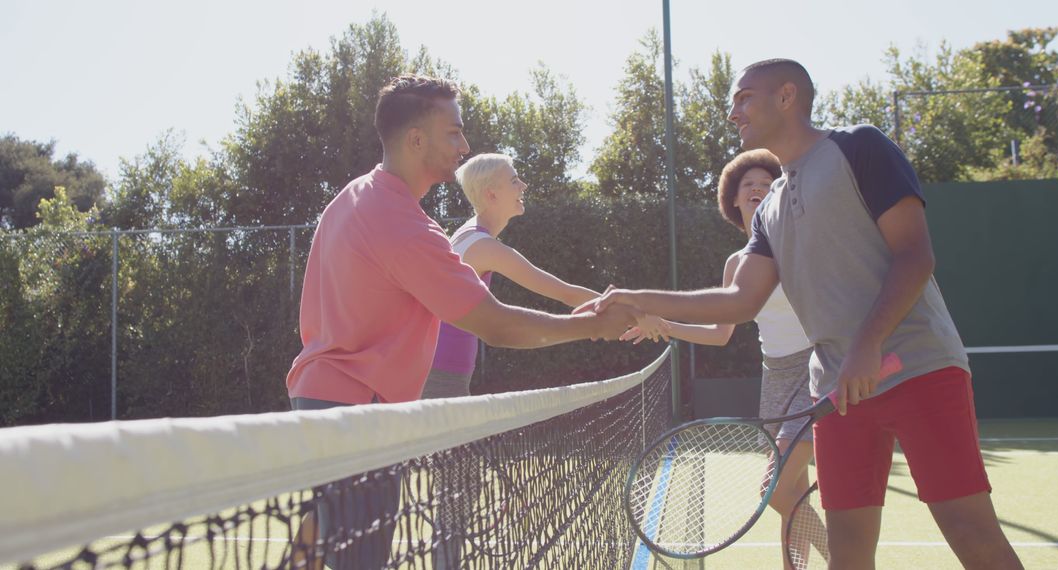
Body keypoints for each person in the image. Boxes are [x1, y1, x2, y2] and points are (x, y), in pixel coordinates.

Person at [581, 59, 1022, 570]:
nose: (733, 112)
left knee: (970, 530)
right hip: (837, 394)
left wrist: (867, 344)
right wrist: (639, 299)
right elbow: (738, 301)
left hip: (920, 368)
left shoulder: (860, 147)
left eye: (744, 97)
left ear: (787, 97)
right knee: (849, 548)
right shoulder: (768, 213)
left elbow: (915, 255)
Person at [285, 74, 640, 569]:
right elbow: (496, 324)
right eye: (453, 132)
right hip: (359, 411)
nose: (464, 145)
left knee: (317, 542)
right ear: (416, 140)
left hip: (326, 398)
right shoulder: (404, 226)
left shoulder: (354, 196)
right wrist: (590, 327)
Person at [622, 148, 818, 568]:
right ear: (734, 198)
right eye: (749, 185)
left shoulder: (801, 244)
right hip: (776, 375)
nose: (758, 189)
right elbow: (719, 333)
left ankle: (844, 558)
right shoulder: (737, 263)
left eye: (767, 184)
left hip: (814, 368)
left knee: (779, 491)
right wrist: (665, 325)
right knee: (794, 492)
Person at [422, 153, 603, 400]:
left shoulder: (466, 234)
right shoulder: (484, 247)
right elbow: (565, 293)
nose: (523, 186)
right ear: (491, 194)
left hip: (438, 371)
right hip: (441, 376)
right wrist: (630, 311)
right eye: (514, 180)